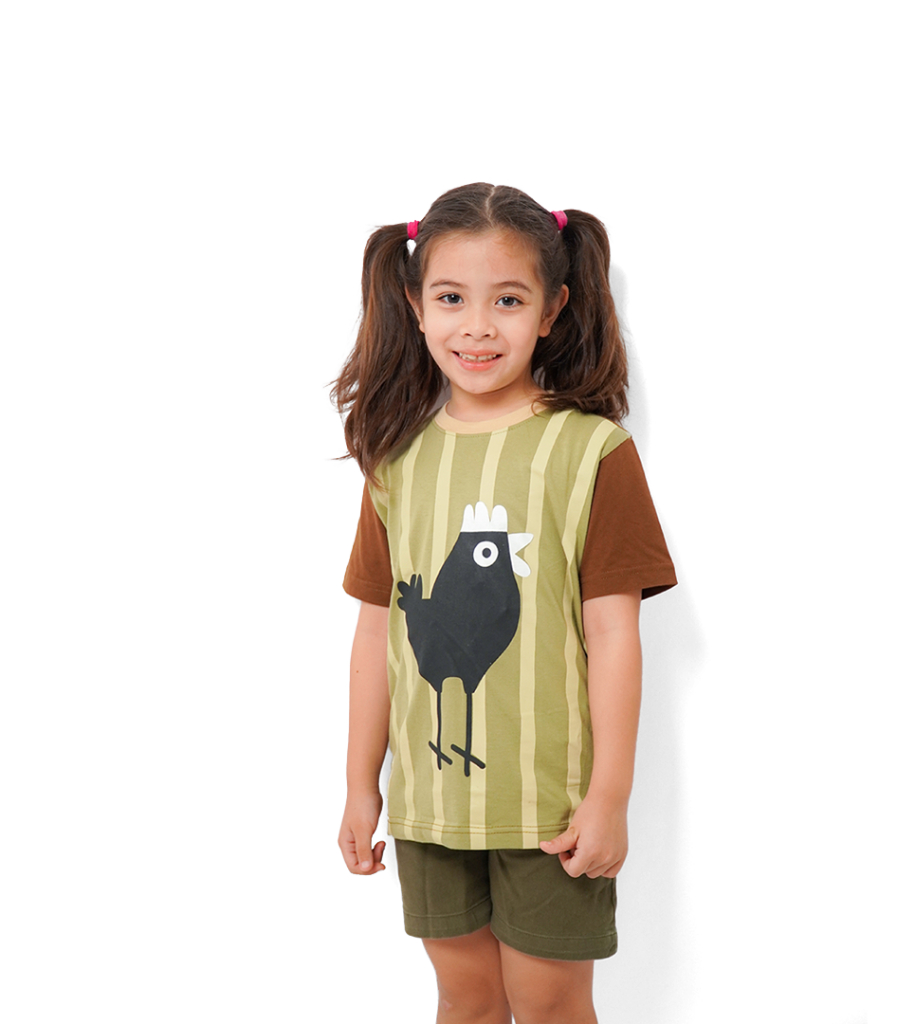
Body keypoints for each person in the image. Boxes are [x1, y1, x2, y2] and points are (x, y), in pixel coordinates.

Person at [332, 183, 676, 1024]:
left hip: (550, 805)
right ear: (414, 305)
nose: (478, 327)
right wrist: (360, 783)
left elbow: (614, 633)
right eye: (452, 298)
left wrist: (609, 796)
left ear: (553, 309)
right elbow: (378, 630)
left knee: (550, 1001)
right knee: (466, 997)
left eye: (508, 301)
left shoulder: (591, 452)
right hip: (430, 805)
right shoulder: (397, 461)